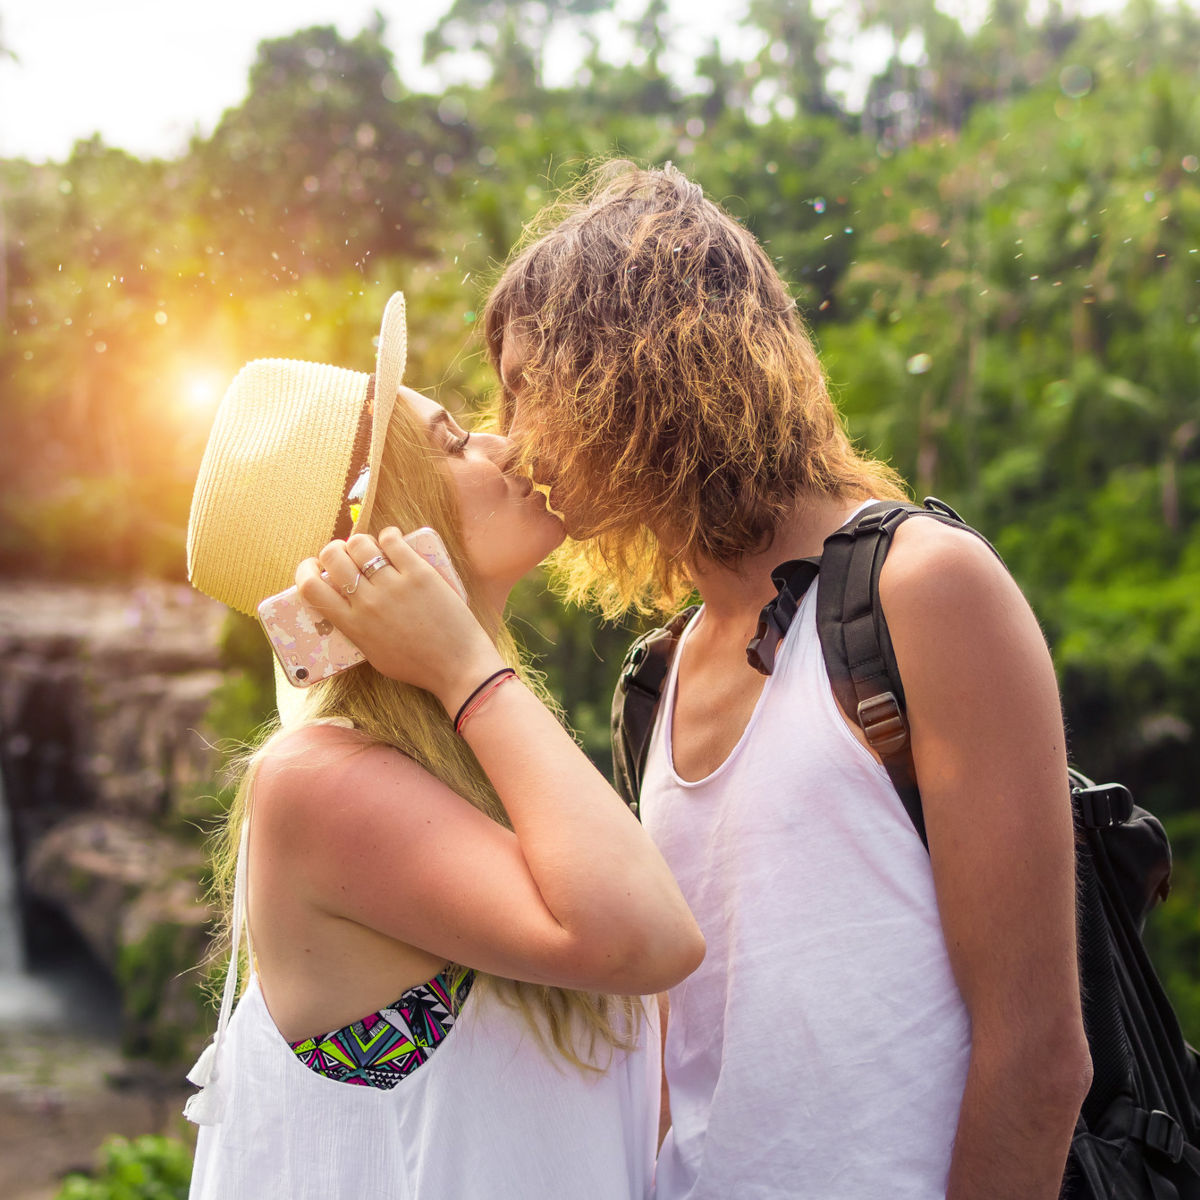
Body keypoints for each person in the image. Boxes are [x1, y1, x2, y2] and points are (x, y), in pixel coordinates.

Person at [482, 164, 1094, 1199]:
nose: (508, 434)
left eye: (529, 387)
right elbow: (681, 1064)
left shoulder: (926, 590)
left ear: (635, 368)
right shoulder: (661, 673)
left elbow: (1037, 1054)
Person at [182, 291, 705, 1200]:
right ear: (371, 534)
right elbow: (648, 940)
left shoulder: (474, 761)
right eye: (454, 443)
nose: (504, 447)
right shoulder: (313, 782)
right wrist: (466, 665)